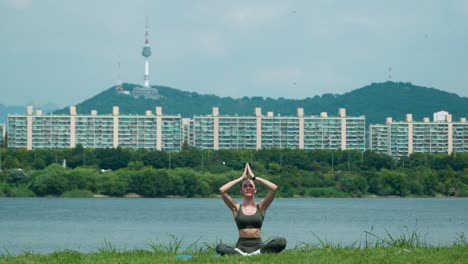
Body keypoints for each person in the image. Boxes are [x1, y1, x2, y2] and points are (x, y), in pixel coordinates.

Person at [216, 163, 287, 256]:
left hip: (258, 247)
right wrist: (241, 179)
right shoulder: (236, 208)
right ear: (241, 190)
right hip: (240, 248)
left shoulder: (261, 206)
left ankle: (257, 253)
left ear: (255, 190)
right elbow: (222, 190)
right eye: (245, 186)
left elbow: (274, 188)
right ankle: (242, 255)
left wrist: (254, 178)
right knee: (220, 247)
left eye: (251, 186)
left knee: (281, 241)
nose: (248, 188)